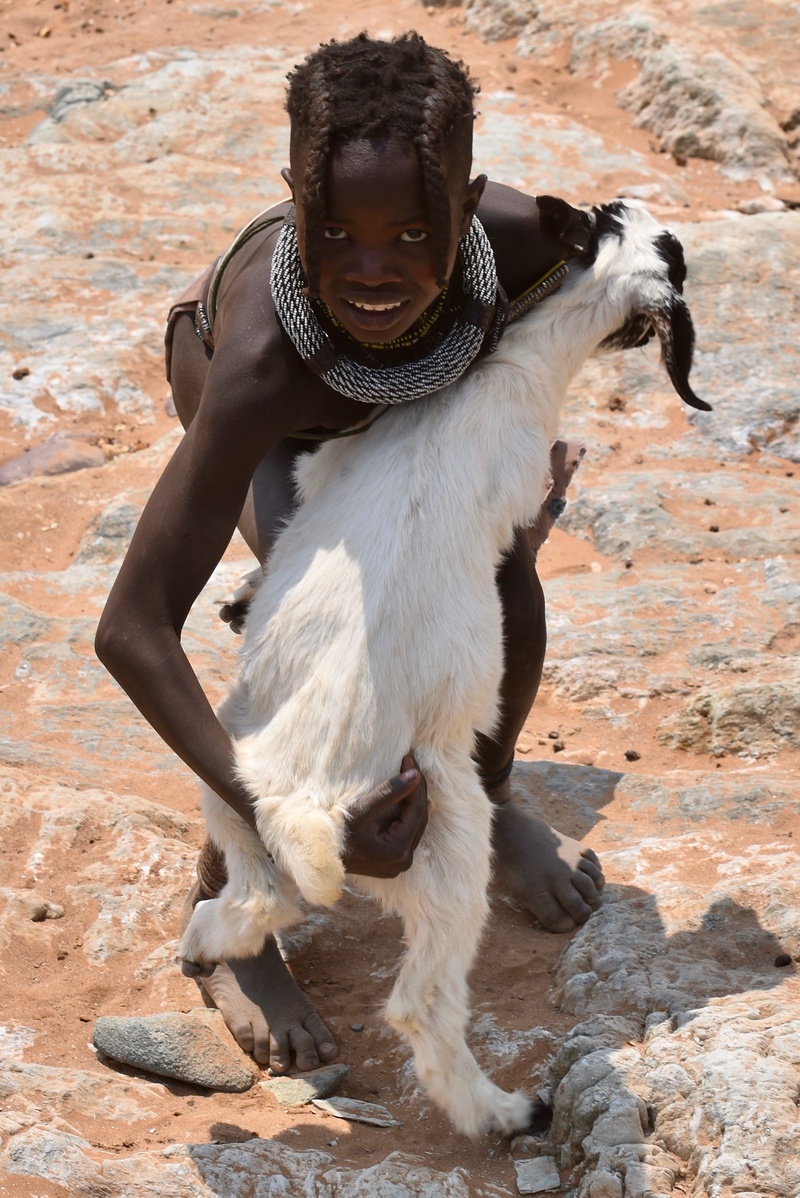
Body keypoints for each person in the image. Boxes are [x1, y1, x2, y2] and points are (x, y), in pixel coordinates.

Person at [95, 31, 604, 1076]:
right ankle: (232, 913)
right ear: (294, 201)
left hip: (408, 409)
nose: (373, 268)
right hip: (281, 430)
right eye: (337, 231)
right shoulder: (256, 362)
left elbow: (622, 295)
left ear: (468, 202)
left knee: (494, 577)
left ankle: (482, 797)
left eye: (413, 229)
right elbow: (131, 629)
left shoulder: (528, 238)